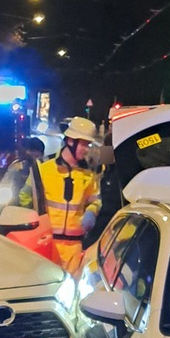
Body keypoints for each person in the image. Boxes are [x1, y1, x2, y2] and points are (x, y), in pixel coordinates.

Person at [28, 116, 101, 273]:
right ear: (70, 141)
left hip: (74, 249)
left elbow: (95, 200)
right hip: (46, 244)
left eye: (88, 144)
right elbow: (26, 200)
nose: (87, 149)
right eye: (84, 144)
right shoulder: (44, 169)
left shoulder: (88, 175)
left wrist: (91, 211)